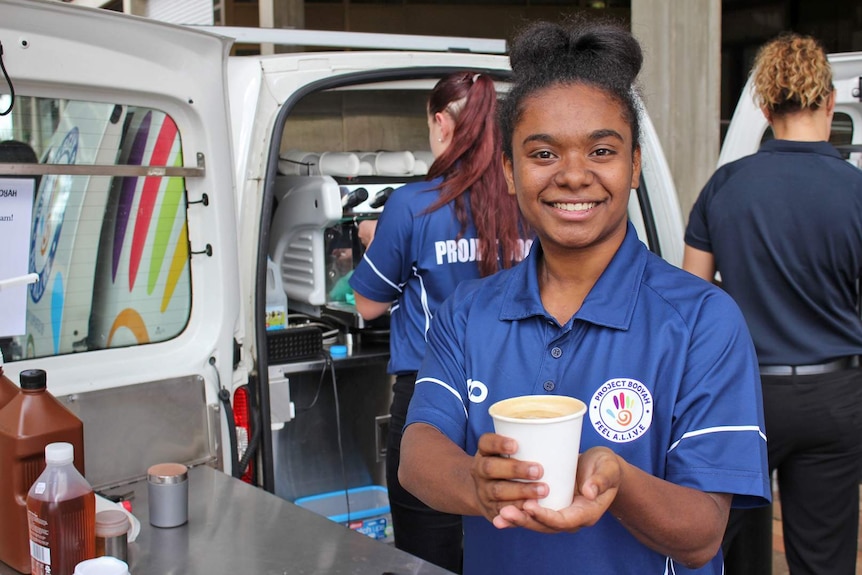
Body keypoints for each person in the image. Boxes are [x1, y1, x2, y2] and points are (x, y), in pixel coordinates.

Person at [397, 17, 771, 575]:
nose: (573, 176)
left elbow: (701, 535)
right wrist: (475, 483)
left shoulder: (701, 321)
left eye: (601, 151)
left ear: (635, 165)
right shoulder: (467, 313)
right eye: (543, 154)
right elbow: (417, 452)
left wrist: (616, 481)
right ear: (508, 170)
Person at [684, 32, 862, 575]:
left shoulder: (725, 187)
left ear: (764, 107)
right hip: (837, 393)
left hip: (745, 395)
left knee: (714, 544)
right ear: (830, 104)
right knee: (825, 559)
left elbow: (694, 298)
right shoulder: (856, 190)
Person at [348, 71, 528, 572]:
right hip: (515, 399)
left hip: (432, 402)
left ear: (441, 123)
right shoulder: (527, 201)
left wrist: (373, 240)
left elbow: (367, 304)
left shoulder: (412, 205)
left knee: (428, 556)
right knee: (510, 541)